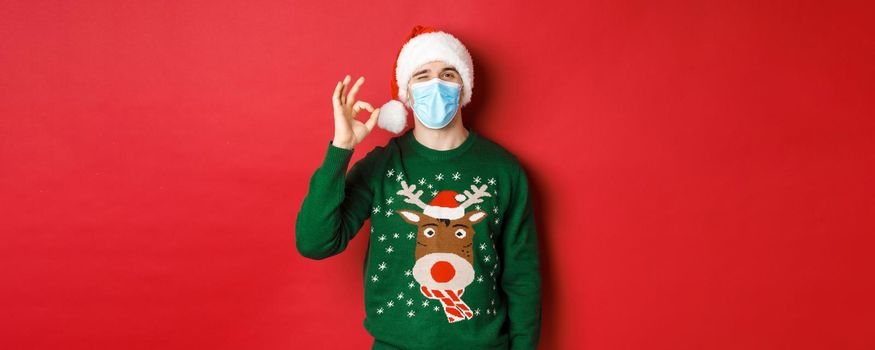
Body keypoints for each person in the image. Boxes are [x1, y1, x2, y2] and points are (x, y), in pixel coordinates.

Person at [295, 25, 542, 350]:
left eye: (448, 74)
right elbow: (315, 243)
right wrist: (341, 148)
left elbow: (522, 276)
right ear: (407, 92)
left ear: (464, 86)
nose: (436, 85)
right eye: (422, 75)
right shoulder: (381, 166)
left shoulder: (502, 170)